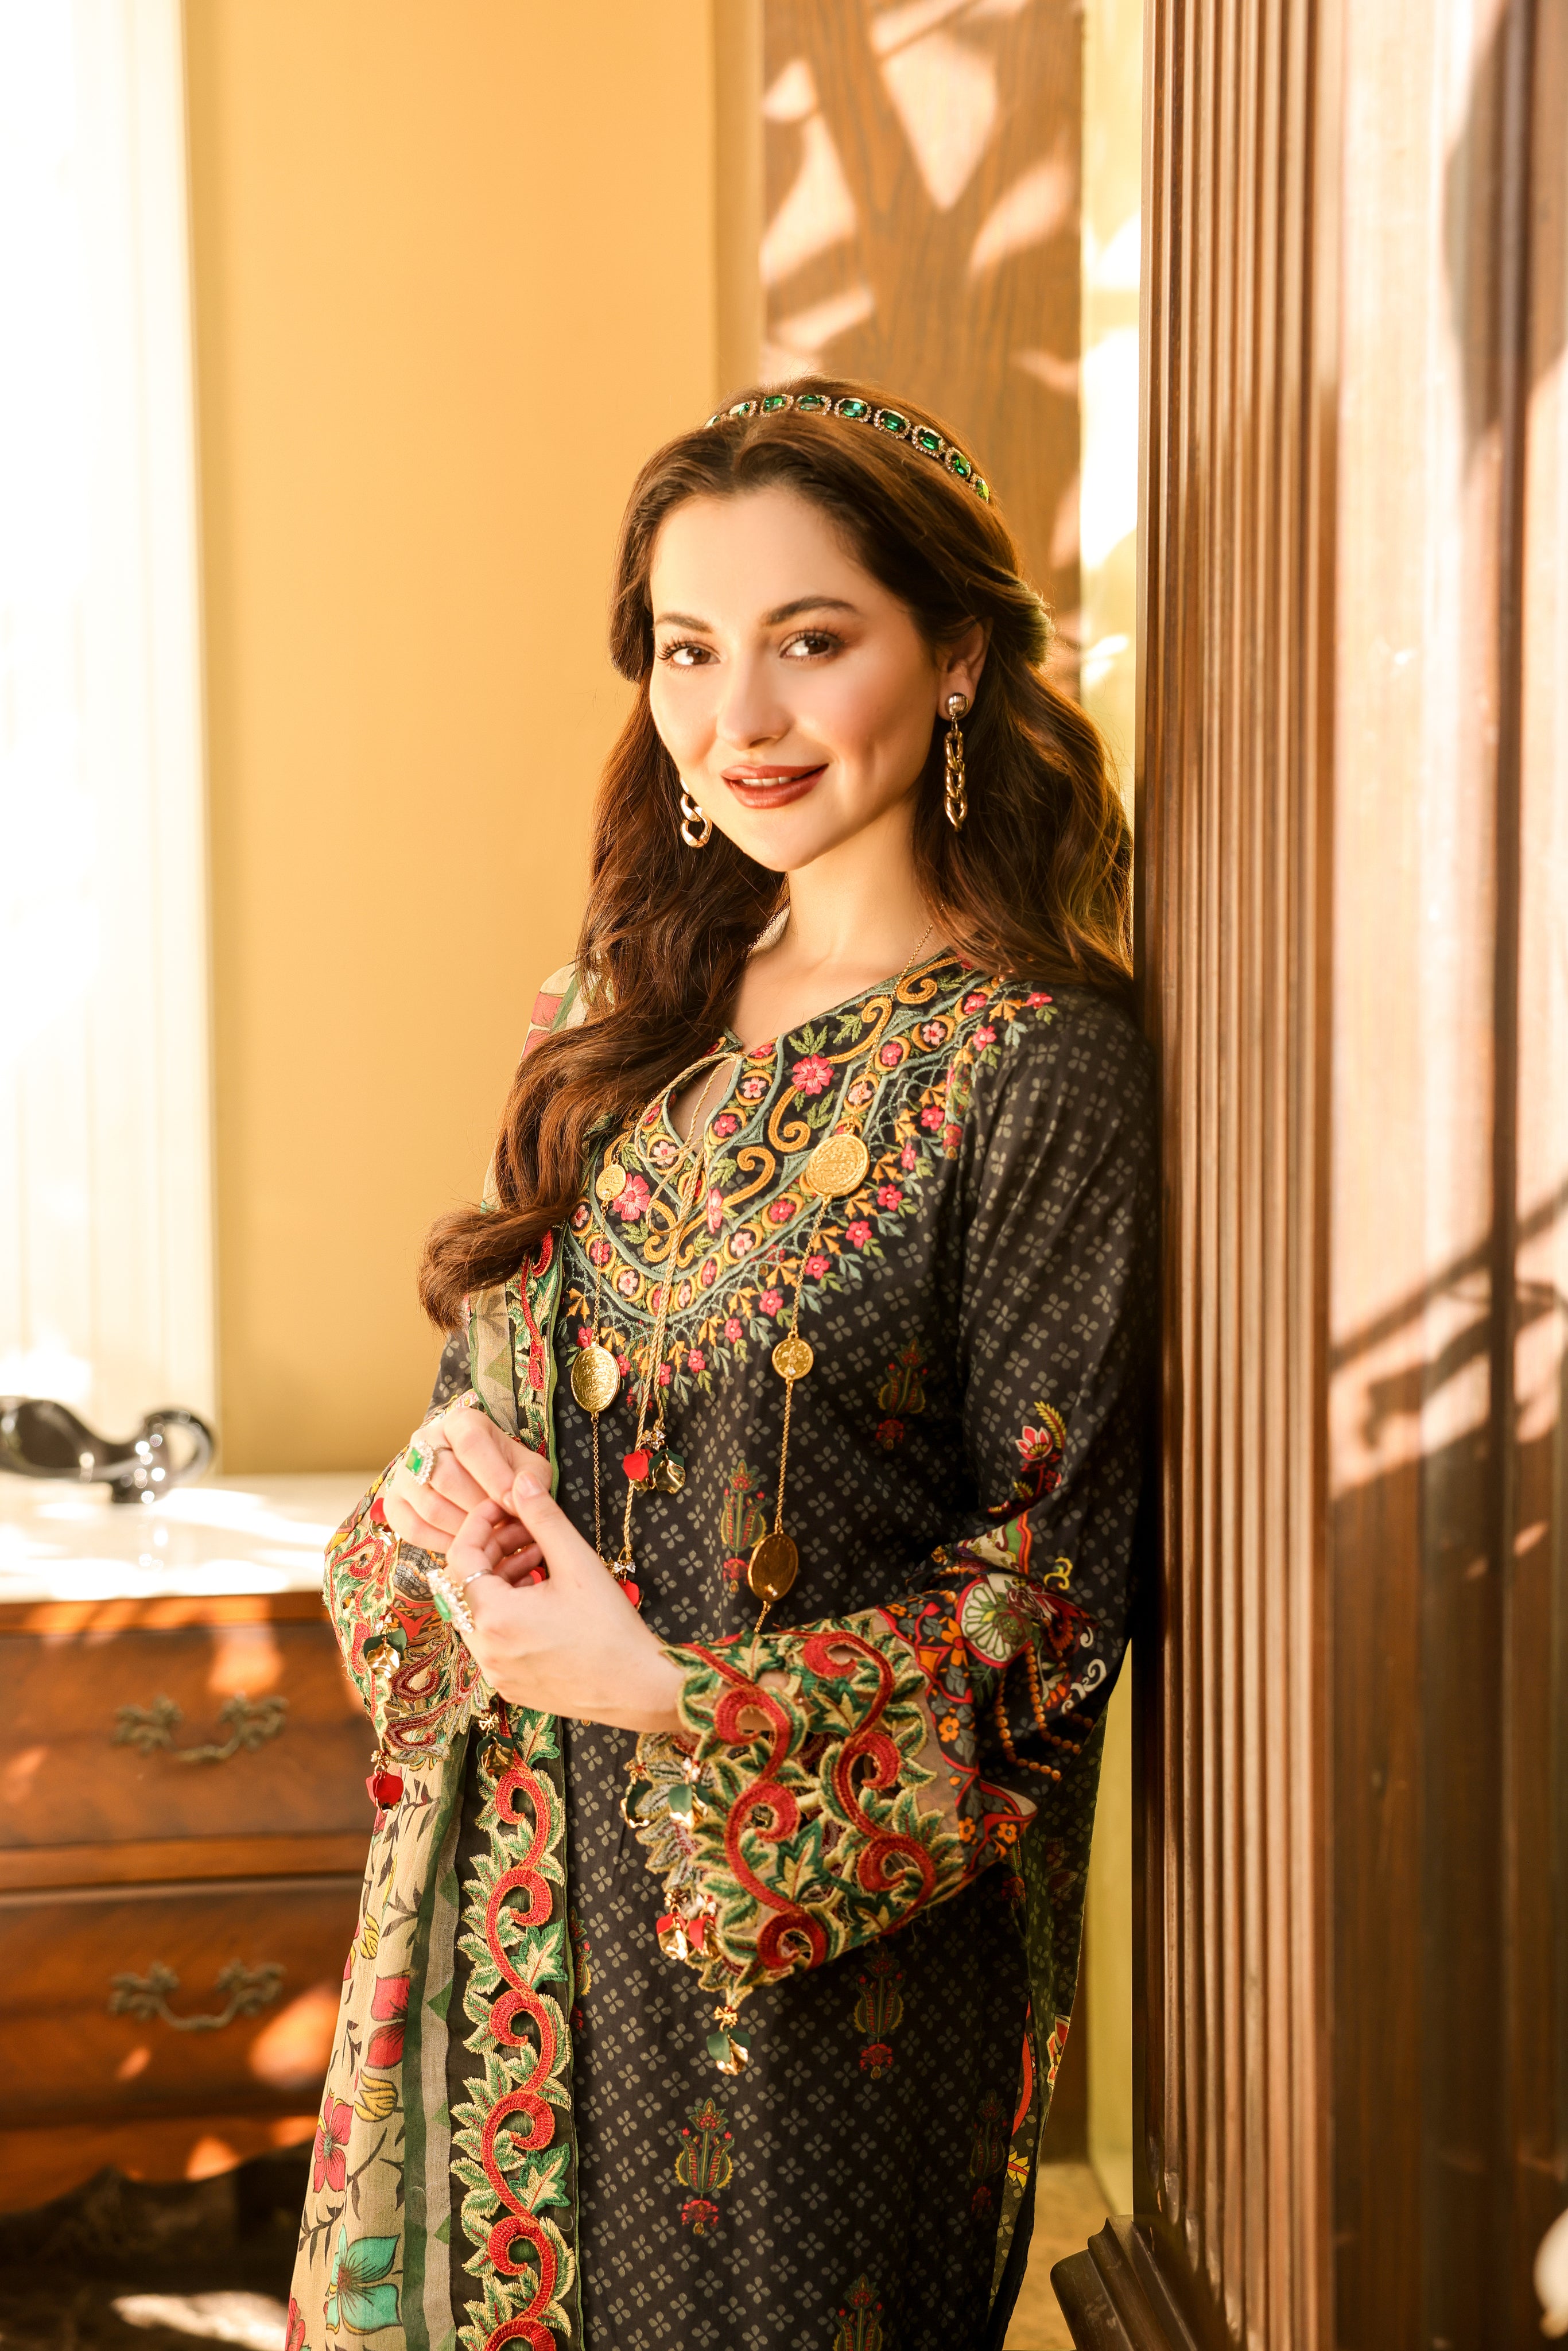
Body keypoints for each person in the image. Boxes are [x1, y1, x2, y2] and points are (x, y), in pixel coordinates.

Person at [289, 380, 1156, 2351]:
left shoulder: (1033, 1068)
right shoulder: (627, 1003)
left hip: (806, 2005)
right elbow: (482, 1400)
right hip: (512, 1885)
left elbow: (1053, 1597)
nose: (738, 718)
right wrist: (455, 1512)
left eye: (811, 641)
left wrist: (664, 1688)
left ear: (954, 659)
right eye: (690, 650)